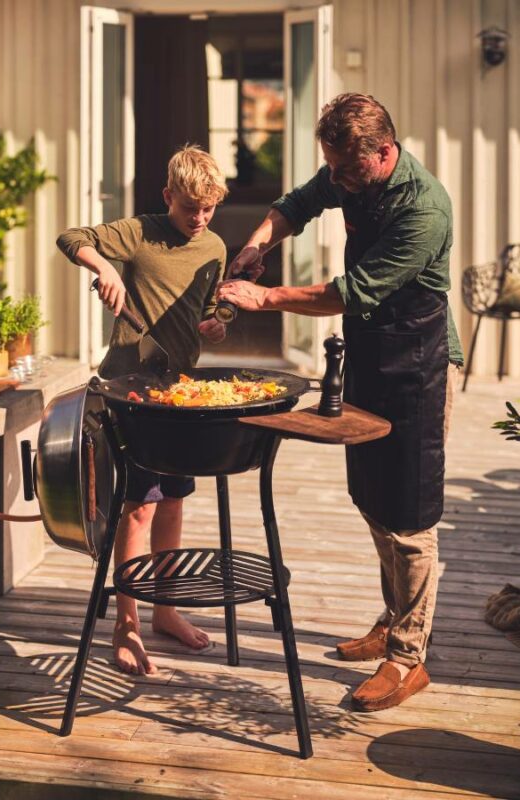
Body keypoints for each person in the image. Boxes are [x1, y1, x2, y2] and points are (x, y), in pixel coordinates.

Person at [217, 93, 464, 711]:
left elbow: (349, 292)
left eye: (349, 171)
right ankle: (394, 618)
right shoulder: (345, 172)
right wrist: (256, 248)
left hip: (419, 365)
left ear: (385, 152)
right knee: (374, 497)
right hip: (372, 358)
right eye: (333, 169)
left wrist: (263, 297)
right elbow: (295, 206)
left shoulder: (425, 208)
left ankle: (409, 657)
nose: (339, 182)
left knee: (409, 512)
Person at [57, 145, 228, 675]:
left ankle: (165, 610)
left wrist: (219, 320)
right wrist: (106, 267)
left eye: (208, 210)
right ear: (167, 197)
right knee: (138, 507)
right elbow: (71, 238)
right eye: (188, 209)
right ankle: (125, 625)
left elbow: (210, 307)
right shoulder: (141, 231)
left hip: (179, 392)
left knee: (173, 501)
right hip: (130, 390)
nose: (198, 220)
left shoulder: (215, 246)